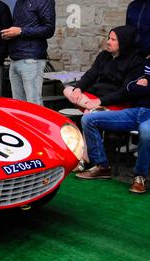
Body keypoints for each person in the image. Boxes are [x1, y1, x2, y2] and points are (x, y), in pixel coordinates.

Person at [76, 60, 150, 194]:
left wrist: (144, 86)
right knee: (88, 119)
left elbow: (135, 89)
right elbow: (129, 88)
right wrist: (139, 87)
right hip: (135, 111)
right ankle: (102, 166)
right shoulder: (144, 63)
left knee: (146, 131)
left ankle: (140, 176)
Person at [63, 26, 144, 112]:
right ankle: (95, 109)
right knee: (68, 90)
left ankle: (93, 110)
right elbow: (90, 75)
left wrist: (100, 101)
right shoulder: (104, 55)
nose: (108, 42)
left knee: (87, 114)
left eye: (113, 40)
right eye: (109, 38)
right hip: (94, 97)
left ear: (124, 42)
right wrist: (78, 89)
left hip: (115, 102)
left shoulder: (136, 62)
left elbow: (125, 92)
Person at [1, 0, 56, 105]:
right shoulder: (20, 2)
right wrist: (10, 34)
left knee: (34, 103)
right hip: (15, 58)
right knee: (18, 105)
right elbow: (19, 29)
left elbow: (49, 29)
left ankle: (38, 122)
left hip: (32, 59)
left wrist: (21, 31)